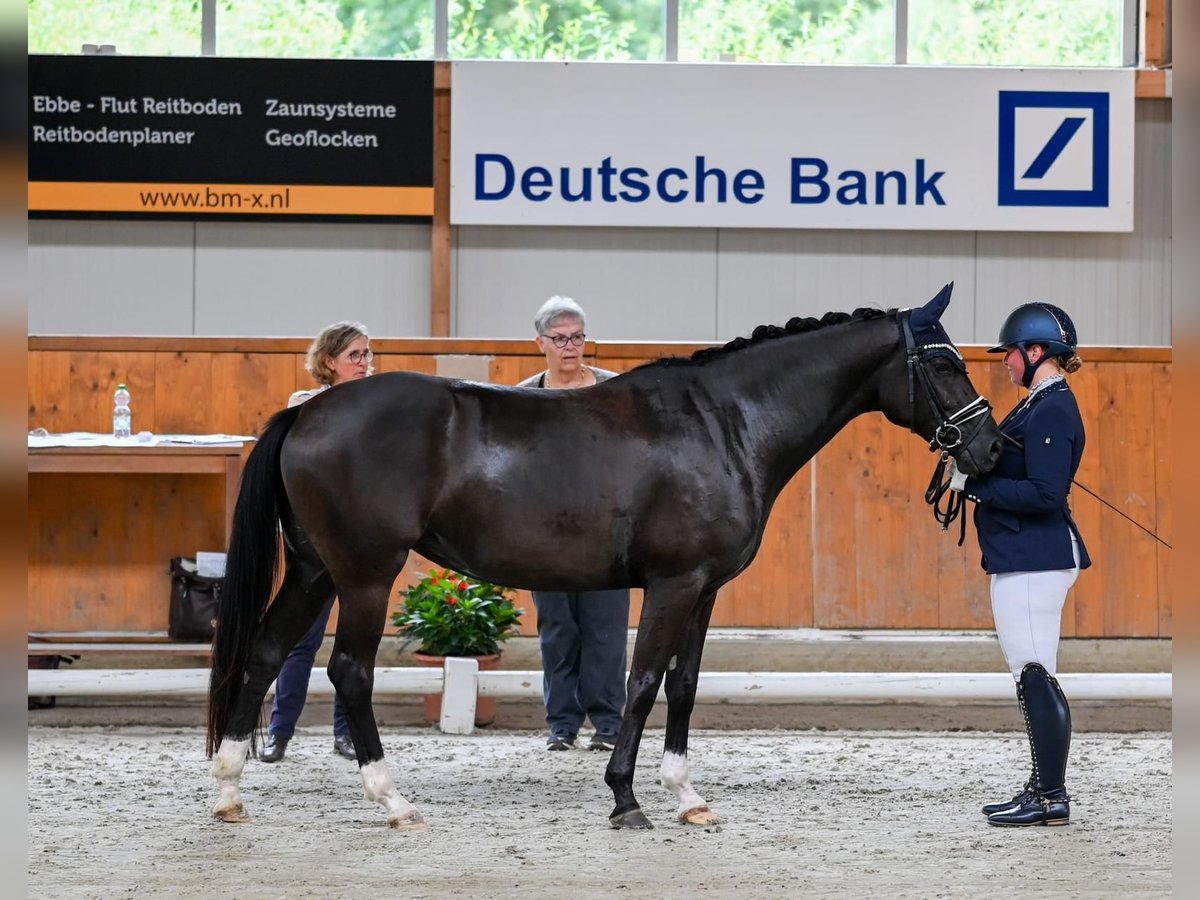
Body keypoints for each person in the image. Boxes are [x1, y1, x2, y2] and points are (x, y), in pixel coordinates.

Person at [949, 302, 1091, 826]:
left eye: (1010, 353)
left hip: (1037, 556)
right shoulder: (1037, 404)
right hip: (1022, 555)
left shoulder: (1052, 408)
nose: (1005, 363)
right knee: (1033, 674)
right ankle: (1043, 786)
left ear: (1036, 352)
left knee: (1034, 674)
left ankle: (1050, 795)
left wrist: (976, 486)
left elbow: (1046, 494)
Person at [517, 296, 631, 751]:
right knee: (557, 626)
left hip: (606, 526)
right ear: (540, 343)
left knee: (606, 625)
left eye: (578, 337)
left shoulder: (612, 390)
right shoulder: (524, 396)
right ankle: (561, 723)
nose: (571, 346)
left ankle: (608, 723)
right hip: (547, 527)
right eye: (561, 338)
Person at [259, 321, 374, 763]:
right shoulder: (306, 406)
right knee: (302, 640)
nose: (365, 364)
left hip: (363, 542)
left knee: (356, 640)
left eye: (367, 355)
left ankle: (347, 734)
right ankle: (280, 730)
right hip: (321, 542)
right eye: (355, 356)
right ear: (330, 362)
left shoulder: (379, 406)